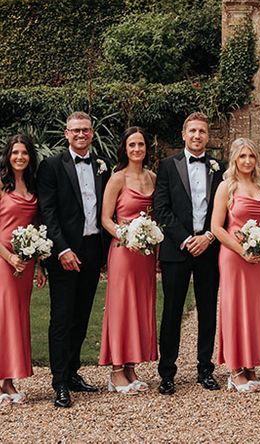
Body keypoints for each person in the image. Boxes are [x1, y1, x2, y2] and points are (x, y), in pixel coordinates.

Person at [38, 112, 110, 408]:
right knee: (62, 317)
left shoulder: (101, 166)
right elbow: (48, 212)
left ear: (92, 134)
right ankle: (59, 383)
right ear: (67, 134)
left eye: (86, 130)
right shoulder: (52, 166)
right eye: (76, 130)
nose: (81, 135)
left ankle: (72, 372)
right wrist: (62, 250)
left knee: (82, 314)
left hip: (93, 247)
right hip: (65, 251)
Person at [155, 112, 224, 395]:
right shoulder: (168, 166)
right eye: (192, 131)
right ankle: (167, 372)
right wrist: (185, 239)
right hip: (177, 249)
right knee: (172, 311)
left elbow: (224, 208)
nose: (197, 136)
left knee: (208, 310)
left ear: (208, 137)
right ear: (184, 134)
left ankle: (205, 369)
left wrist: (208, 236)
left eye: (202, 132)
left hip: (208, 248)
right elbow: (162, 208)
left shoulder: (219, 168)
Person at [211, 138, 260, 392]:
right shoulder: (227, 187)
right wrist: (242, 250)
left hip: (259, 260)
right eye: (242, 157)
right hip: (234, 256)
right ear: (234, 160)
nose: (247, 161)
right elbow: (216, 227)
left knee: (258, 308)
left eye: (251, 156)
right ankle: (235, 370)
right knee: (235, 307)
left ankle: (251, 366)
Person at [99, 127, 157, 394]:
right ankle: (116, 370)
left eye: (141, 144)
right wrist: (126, 235)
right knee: (122, 306)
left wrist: (149, 237)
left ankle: (131, 366)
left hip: (145, 255)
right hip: (123, 251)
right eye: (132, 145)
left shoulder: (153, 177)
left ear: (146, 148)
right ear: (125, 148)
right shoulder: (117, 179)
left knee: (141, 306)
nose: (137, 149)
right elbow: (106, 219)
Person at [0, 134, 47, 406]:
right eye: (15, 152)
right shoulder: (1, 186)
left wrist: (39, 265)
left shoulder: (33, 187)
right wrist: (9, 257)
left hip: (26, 265)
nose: (20, 157)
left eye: (25, 153)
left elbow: (36, 229)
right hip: (4, 262)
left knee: (18, 318)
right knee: (4, 319)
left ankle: (9, 380)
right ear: (8, 155)